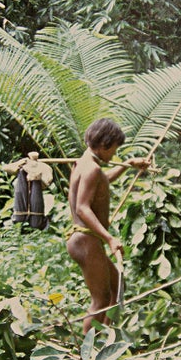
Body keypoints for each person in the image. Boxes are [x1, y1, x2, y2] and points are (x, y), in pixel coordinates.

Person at [66, 118, 151, 333]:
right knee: (100, 300)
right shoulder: (91, 168)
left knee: (117, 287)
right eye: (114, 149)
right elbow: (82, 208)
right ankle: (86, 354)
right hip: (86, 240)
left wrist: (129, 165)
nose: (114, 155)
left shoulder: (84, 163)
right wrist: (110, 238)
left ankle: (103, 339)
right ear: (105, 144)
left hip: (85, 240)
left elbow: (102, 182)